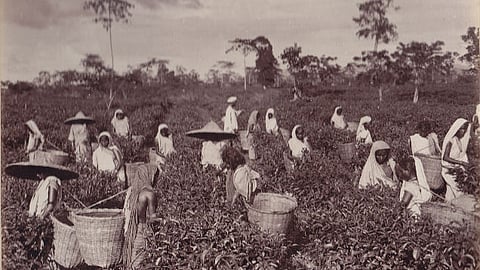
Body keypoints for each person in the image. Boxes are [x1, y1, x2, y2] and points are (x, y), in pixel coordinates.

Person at [5, 161, 78, 219]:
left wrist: (42, 217)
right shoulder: (44, 181)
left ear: (46, 171)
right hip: (39, 216)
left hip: (47, 218)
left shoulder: (52, 180)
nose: (37, 175)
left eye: (39, 172)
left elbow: (51, 205)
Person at [123, 163, 159, 269]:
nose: (156, 179)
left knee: (134, 259)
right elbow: (153, 218)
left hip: (134, 231)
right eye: (155, 176)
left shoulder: (133, 191)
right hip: (145, 231)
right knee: (142, 261)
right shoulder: (149, 194)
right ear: (149, 175)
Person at [441, 118, 473, 202]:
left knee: (451, 192)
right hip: (448, 169)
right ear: (457, 129)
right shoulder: (451, 141)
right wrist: (461, 162)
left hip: (455, 169)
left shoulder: (459, 141)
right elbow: (445, 157)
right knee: (458, 190)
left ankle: (448, 207)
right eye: (462, 129)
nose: (463, 131)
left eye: (465, 129)